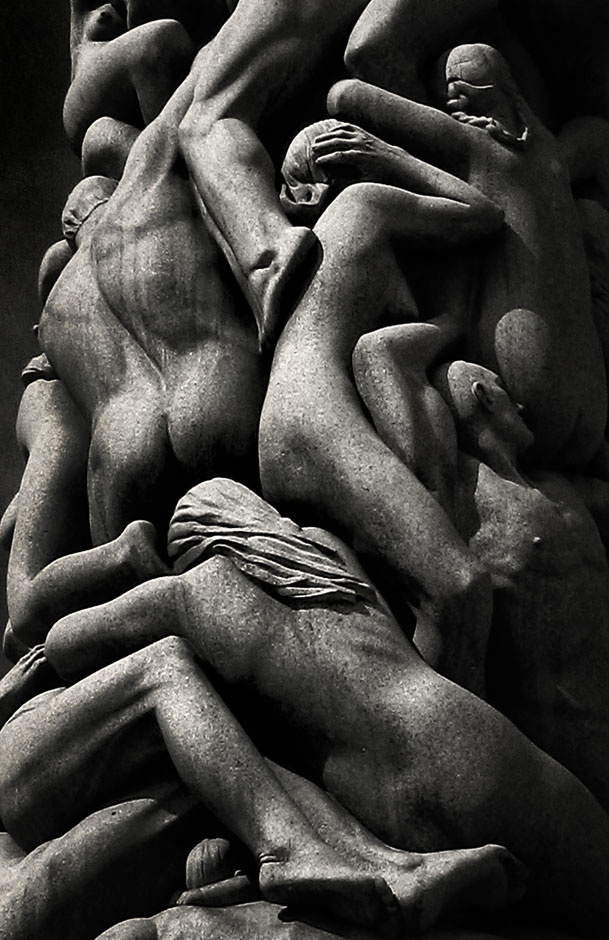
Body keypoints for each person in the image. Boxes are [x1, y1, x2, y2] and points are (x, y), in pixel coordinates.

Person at [33, 476, 609, 938]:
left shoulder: (190, 594)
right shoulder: (323, 553)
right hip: (460, 739)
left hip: (380, 808)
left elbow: (61, 642)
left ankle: (379, 869)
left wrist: (135, 566)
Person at [0, 642, 526, 939]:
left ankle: (387, 870)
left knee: (228, 746)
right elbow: (27, 619)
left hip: (45, 872)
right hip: (20, 871)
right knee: (164, 668)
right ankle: (291, 852)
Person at [260, 116, 505, 679]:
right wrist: (388, 152)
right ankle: (454, 735)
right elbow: (484, 212)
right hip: (316, 421)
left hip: (296, 423)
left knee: (404, 603)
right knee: (459, 590)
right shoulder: (364, 204)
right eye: (352, 140)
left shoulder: (332, 246)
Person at [351, 315, 609, 809]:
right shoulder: (456, 493)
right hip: (556, 754)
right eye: (505, 390)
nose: (522, 404)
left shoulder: (564, 490)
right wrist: (455, 321)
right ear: (484, 396)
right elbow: (378, 354)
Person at [325, 45, 607, 470]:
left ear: (495, 90)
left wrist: (387, 152)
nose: (451, 97)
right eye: (447, 89)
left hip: (527, 386)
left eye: (460, 84)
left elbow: (345, 96)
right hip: (594, 407)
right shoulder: (552, 154)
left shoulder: (477, 144)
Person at [40, 73, 268, 541]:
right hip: (210, 392)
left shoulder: (53, 313)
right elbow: (205, 81)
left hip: (120, 450)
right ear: (109, 192)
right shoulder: (146, 185)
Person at [0, 354, 168, 651]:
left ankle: (127, 556)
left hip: (60, 419)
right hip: (91, 420)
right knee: (17, 632)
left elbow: (10, 525)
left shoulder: (45, 399)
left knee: (24, 609)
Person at [64, 0, 198, 154]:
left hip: (127, 92)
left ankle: (163, 155)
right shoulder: (83, 14)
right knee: (156, 38)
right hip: (84, 98)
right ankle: (168, 150)